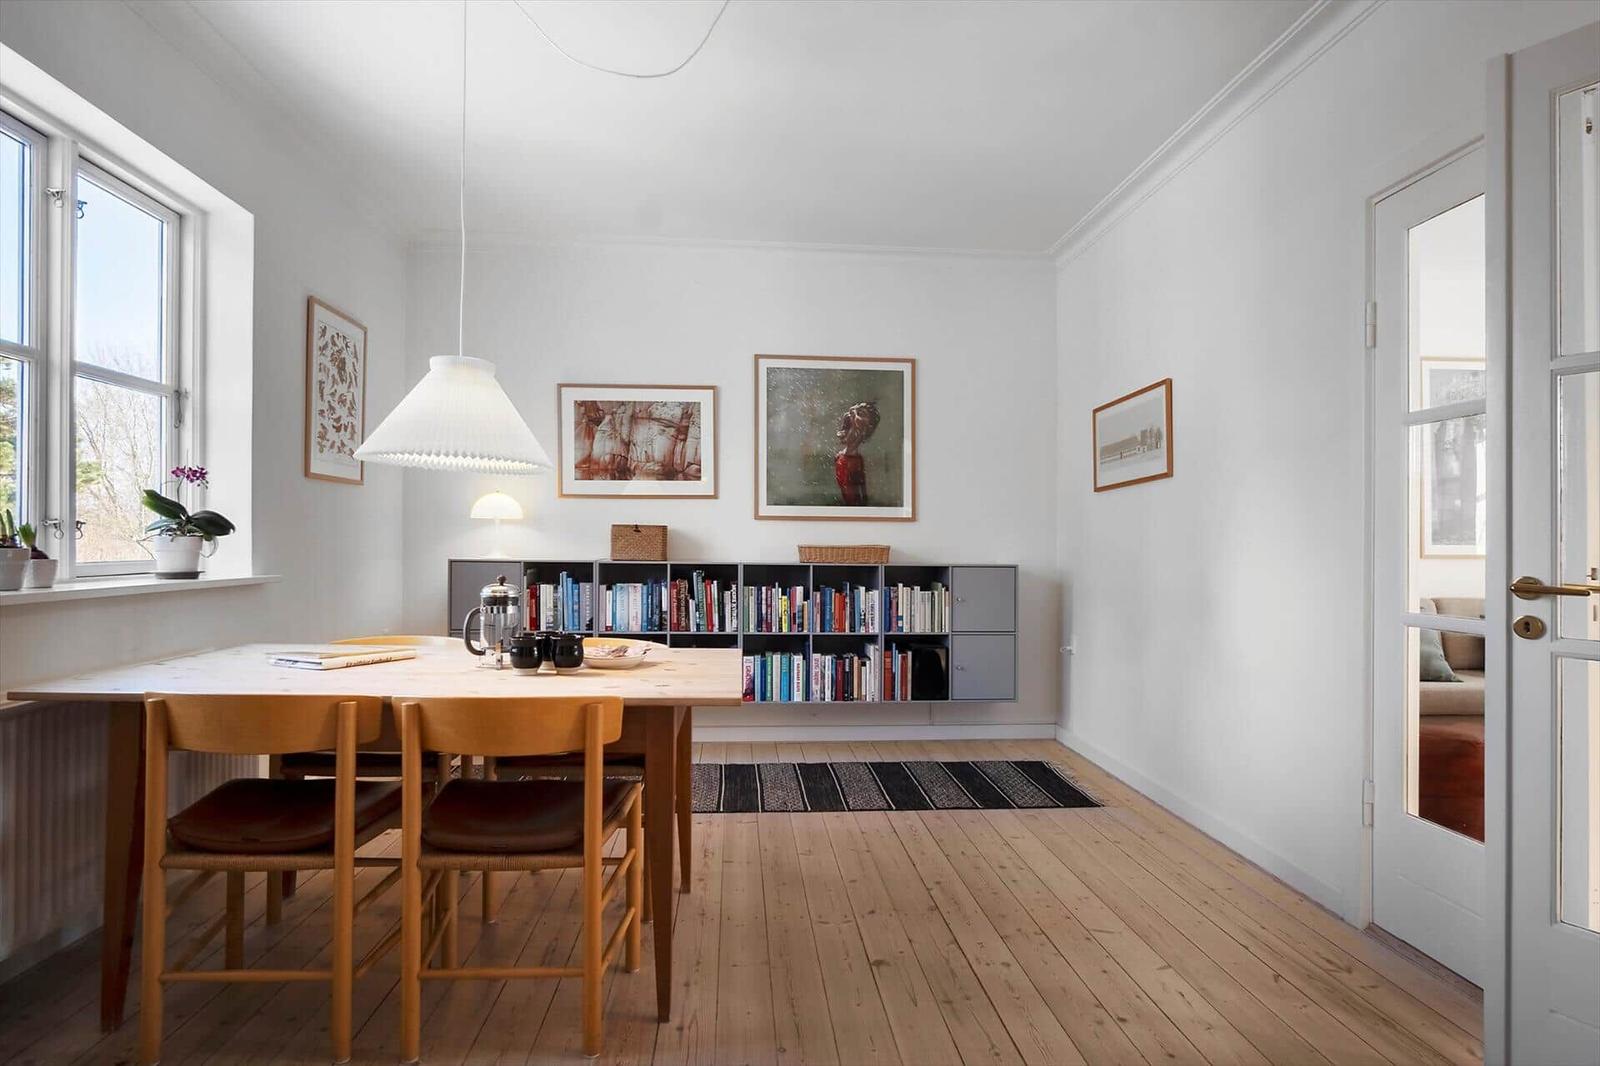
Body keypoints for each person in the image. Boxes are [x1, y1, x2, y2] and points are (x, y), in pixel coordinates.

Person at [834, 400, 880, 505]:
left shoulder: (855, 463)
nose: (852, 413)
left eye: (861, 413)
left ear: (867, 429)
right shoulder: (839, 457)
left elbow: (858, 495)